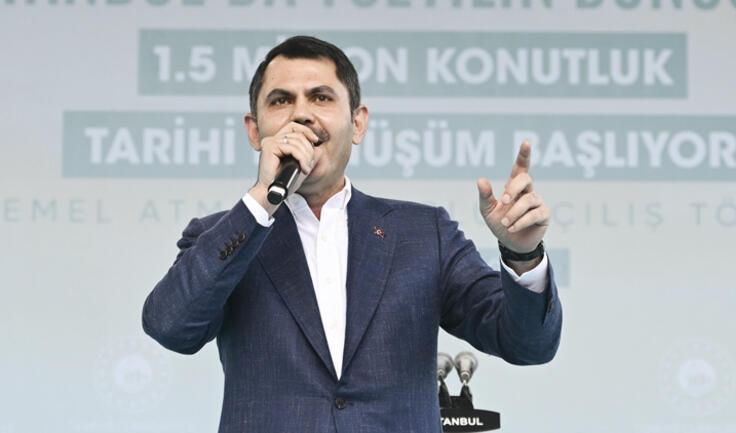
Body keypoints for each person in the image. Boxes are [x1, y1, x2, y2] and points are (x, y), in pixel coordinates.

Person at [142, 35, 562, 433]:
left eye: (321, 97)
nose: (301, 114)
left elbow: (528, 344)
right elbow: (170, 326)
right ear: (255, 131)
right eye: (281, 100)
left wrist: (522, 256)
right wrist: (259, 202)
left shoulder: (424, 233)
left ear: (358, 123)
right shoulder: (222, 235)